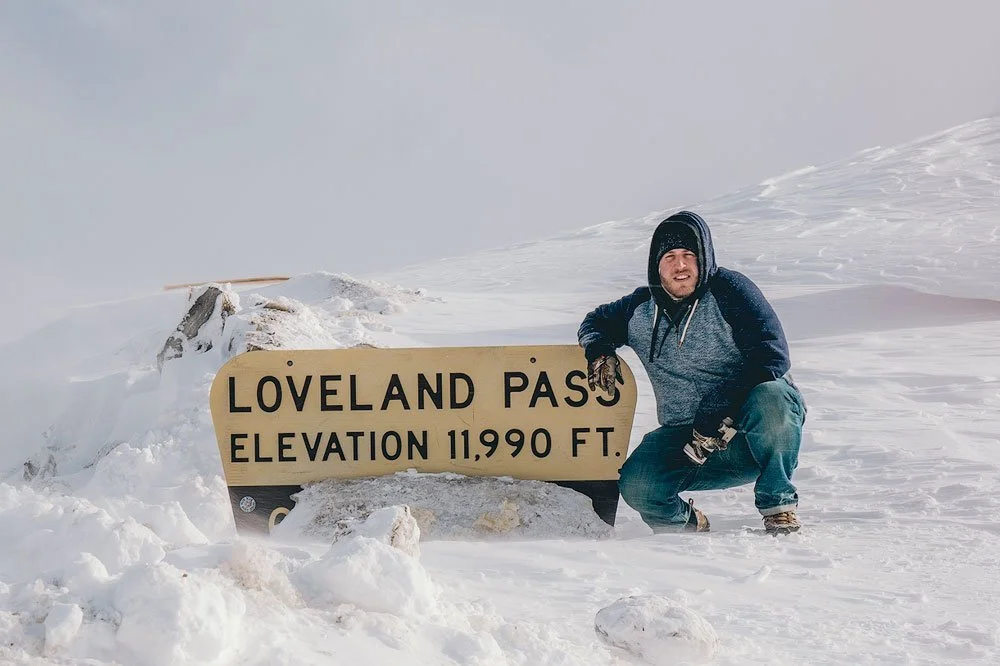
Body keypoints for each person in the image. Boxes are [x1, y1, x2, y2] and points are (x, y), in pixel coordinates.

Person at [577, 210, 806, 535]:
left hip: (751, 438)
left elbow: (772, 356)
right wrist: (599, 349)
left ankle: (778, 507)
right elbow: (595, 322)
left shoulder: (731, 291)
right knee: (637, 483)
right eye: (670, 256)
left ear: (704, 259)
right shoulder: (639, 309)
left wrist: (718, 407)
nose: (680, 265)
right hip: (689, 443)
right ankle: (687, 526)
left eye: (689, 255)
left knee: (773, 396)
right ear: (656, 265)